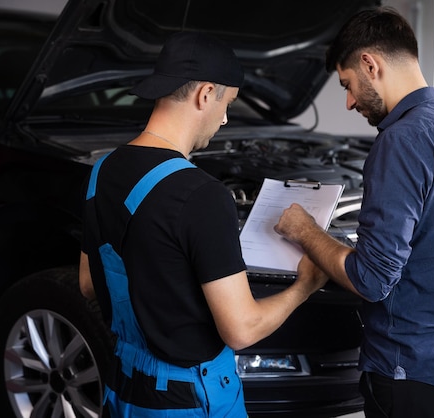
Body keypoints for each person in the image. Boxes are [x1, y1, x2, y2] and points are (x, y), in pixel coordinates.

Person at [273, 7, 434, 418]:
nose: (349, 102)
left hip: (413, 376)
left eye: (347, 85)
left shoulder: (401, 142)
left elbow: (372, 280)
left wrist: (305, 230)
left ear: (371, 64)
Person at [78, 31, 328, 418]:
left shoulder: (101, 171)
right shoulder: (201, 195)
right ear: (205, 93)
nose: (226, 118)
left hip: (123, 388)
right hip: (191, 398)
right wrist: (306, 286)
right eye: (227, 103)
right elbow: (241, 329)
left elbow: (89, 284)